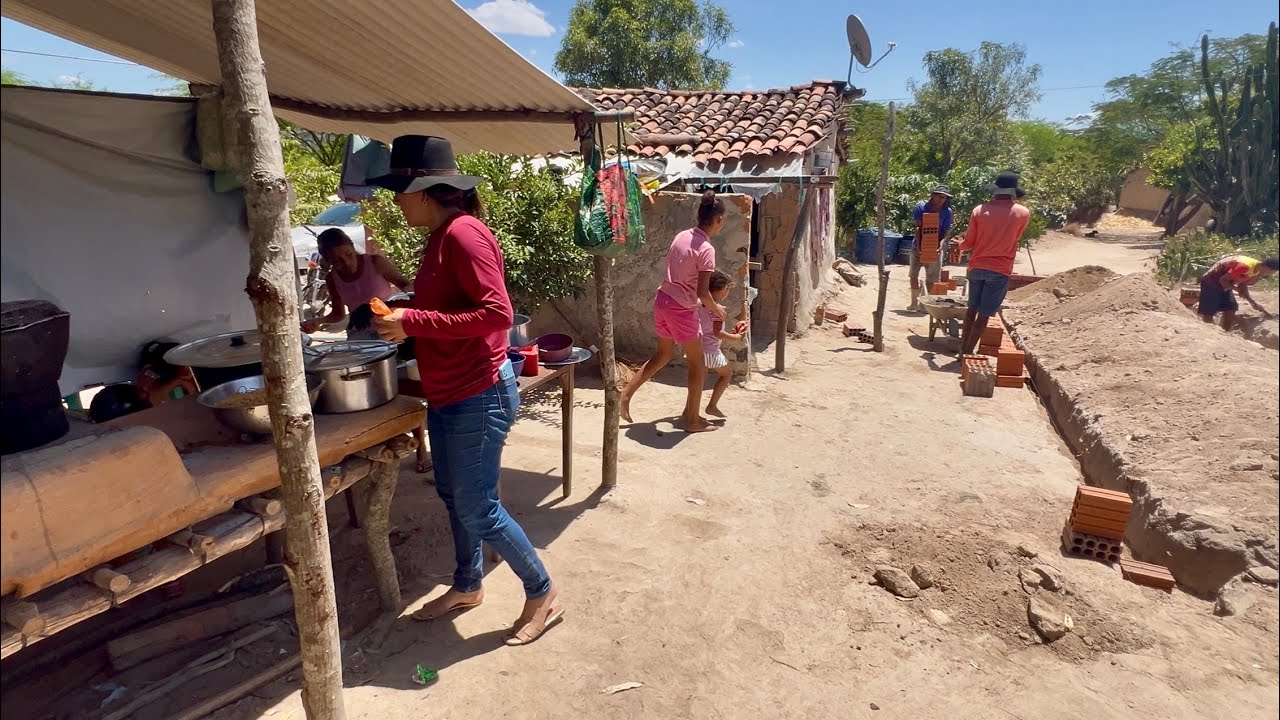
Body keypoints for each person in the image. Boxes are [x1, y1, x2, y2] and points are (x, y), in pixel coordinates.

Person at [367, 135, 561, 646]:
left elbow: (497, 313)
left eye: (399, 191)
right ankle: (468, 584)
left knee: (479, 508)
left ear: (424, 191)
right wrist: (408, 307)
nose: (396, 201)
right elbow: (453, 306)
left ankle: (541, 590)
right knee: (456, 495)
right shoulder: (439, 238)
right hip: (450, 391)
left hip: (479, 391)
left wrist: (415, 321)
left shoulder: (463, 235)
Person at [620, 190, 727, 433]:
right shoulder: (707, 250)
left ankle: (625, 395)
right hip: (681, 309)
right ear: (719, 220)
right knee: (698, 365)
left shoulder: (681, 236)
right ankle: (692, 420)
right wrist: (717, 310)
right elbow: (702, 293)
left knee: (663, 354)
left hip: (663, 301)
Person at [956, 171, 1031, 356]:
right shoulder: (1022, 213)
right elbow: (1016, 238)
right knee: (984, 314)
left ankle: (962, 350)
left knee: (971, 310)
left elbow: (969, 243)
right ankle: (968, 353)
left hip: (977, 266)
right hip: (1000, 270)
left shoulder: (979, 210)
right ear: (1013, 192)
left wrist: (960, 245)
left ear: (995, 190)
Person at [300, 227, 409, 340]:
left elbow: (407, 288)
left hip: (389, 330)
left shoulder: (375, 263)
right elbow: (338, 314)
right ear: (328, 261)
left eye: (349, 254)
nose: (346, 263)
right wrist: (318, 321)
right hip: (359, 335)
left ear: (353, 247)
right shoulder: (332, 279)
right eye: (337, 261)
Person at [700, 270, 747, 418]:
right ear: (719, 289)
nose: (727, 293)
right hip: (711, 350)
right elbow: (717, 333)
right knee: (726, 374)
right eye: (727, 289)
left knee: (698, 380)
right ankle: (712, 405)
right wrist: (736, 337)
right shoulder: (718, 310)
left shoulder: (700, 304)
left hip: (697, 346)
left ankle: (689, 410)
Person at [1197, 255, 1279, 330]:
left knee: (1231, 307)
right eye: (1273, 272)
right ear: (1268, 268)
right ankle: (1207, 331)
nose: (1271, 274)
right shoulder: (1244, 266)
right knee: (1209, 309)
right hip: (1211, 281)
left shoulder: (1257, 271)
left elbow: (1243, 284)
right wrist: (1237, 290)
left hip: (1226, 282)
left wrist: (1253, 303)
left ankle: (1225, 333)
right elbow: (1223, 280)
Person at [908, 185, 955, 312]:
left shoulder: (947, 212)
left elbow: (945, 231)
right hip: (917, 245)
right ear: (932, 196)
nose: (940, 199)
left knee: (932, 278)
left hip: (935, 247)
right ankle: (913, 303)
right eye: (938, 196)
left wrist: (940, 245)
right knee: (913, 275)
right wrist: (919, 246)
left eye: (943, 197)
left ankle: (923, 304)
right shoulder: (921, 207)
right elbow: (918, 228)